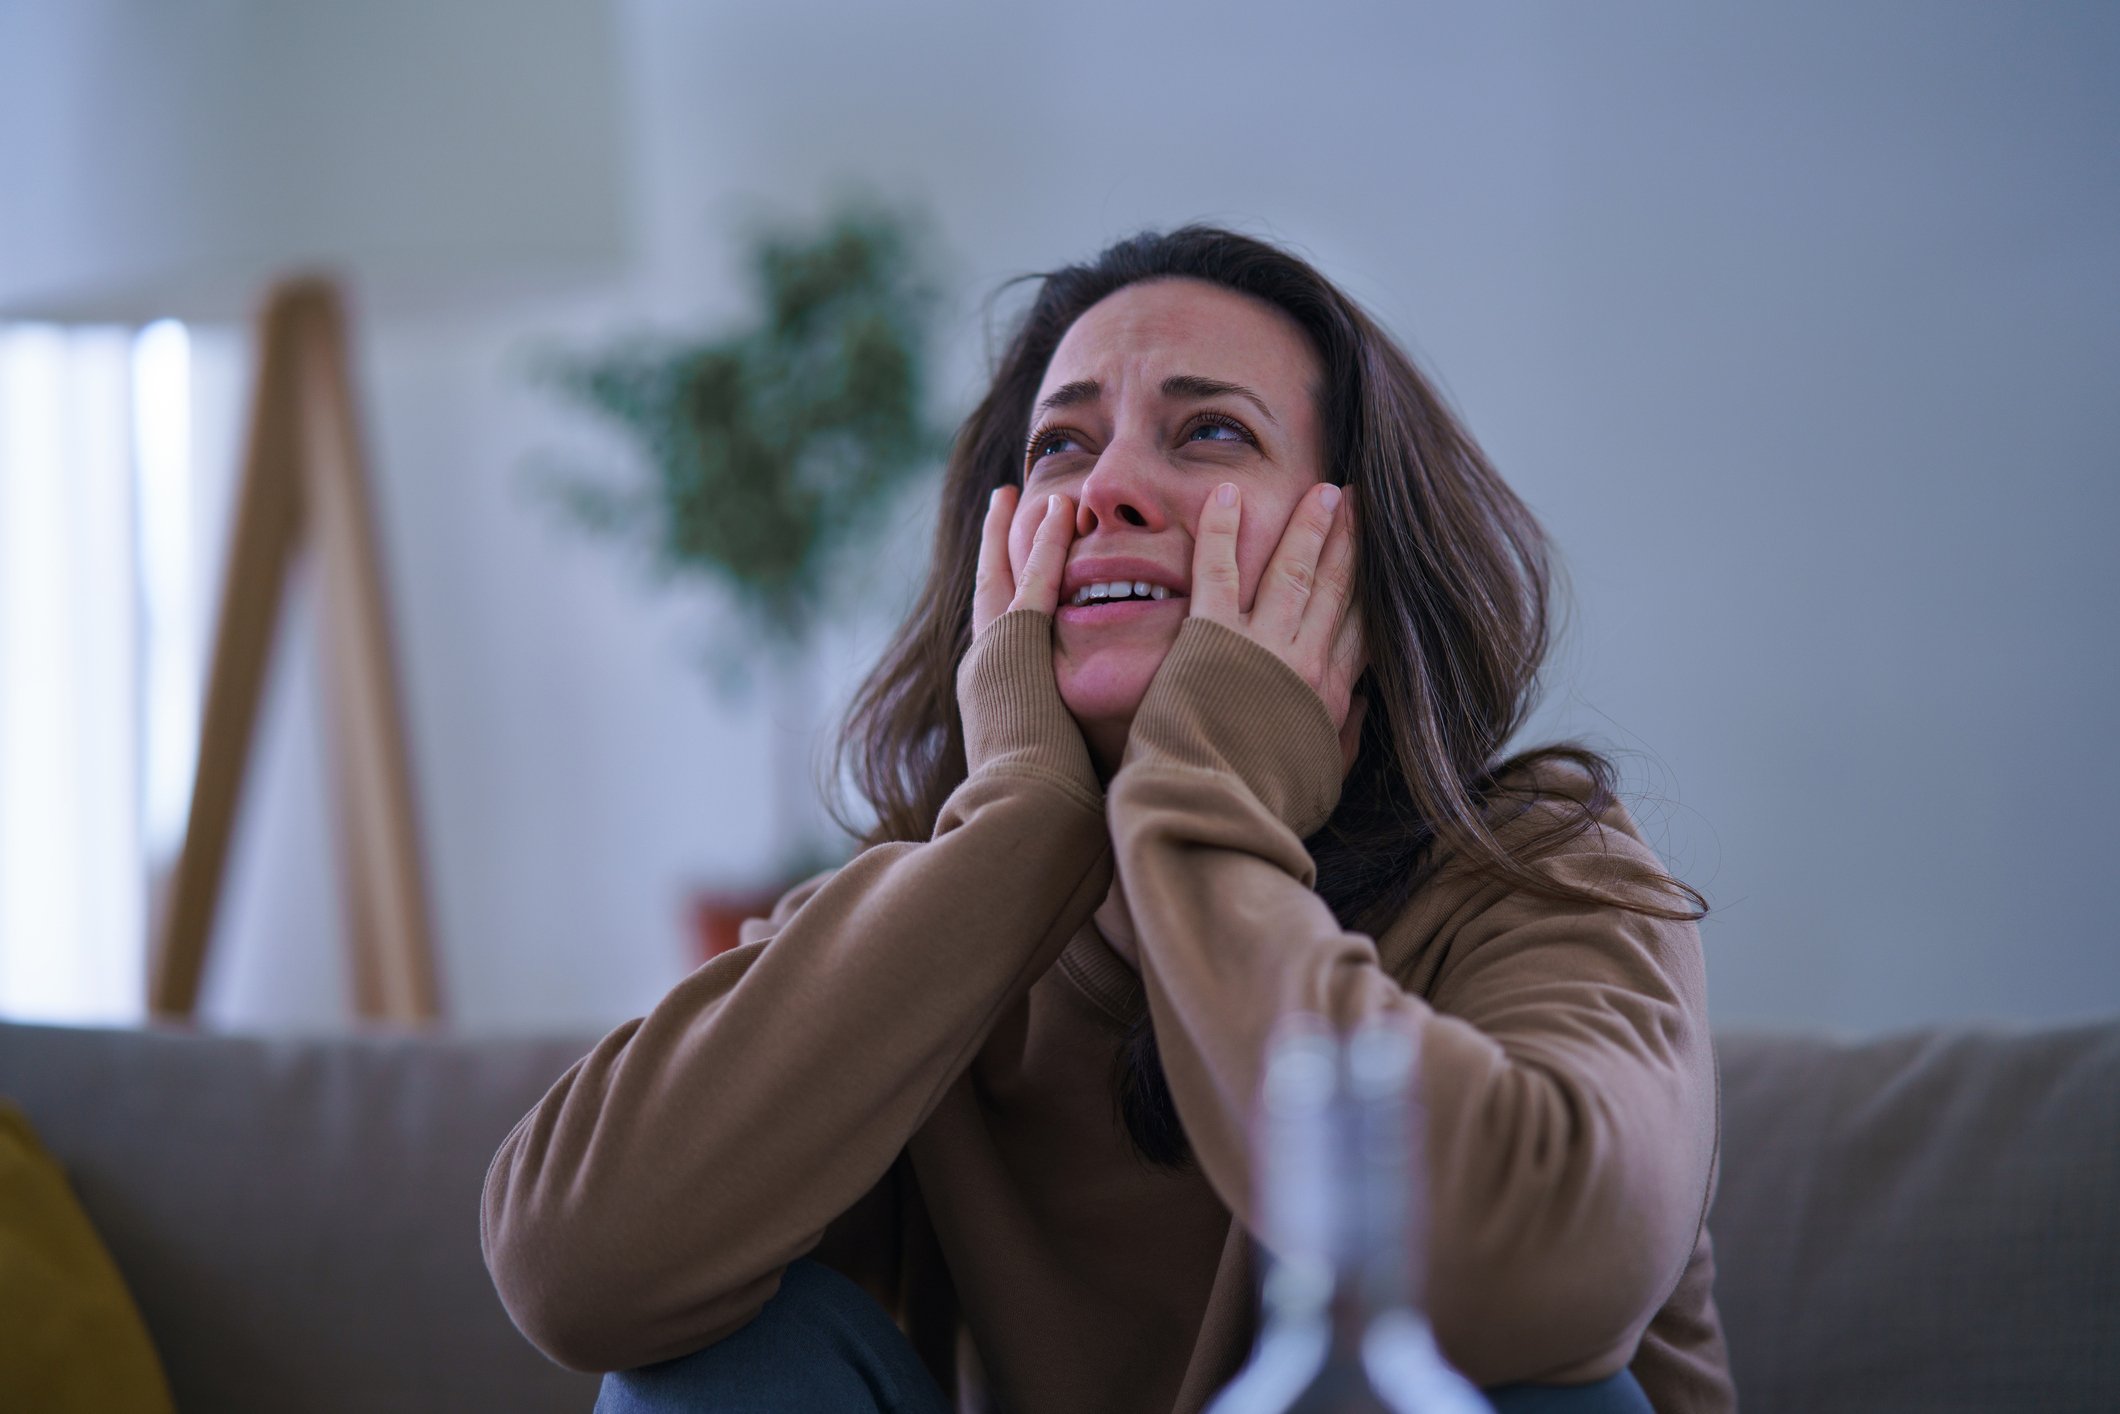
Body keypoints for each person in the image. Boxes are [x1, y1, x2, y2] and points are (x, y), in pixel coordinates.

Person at [481, 225, 1733, 1414]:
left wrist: (1202, 803)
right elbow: (575, 1267)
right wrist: (1023, 819)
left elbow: (1534, 1282)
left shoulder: (1540, 876)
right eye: (1060, 449)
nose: (1107, 489)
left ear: (1351, 547)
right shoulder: (936, 909)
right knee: (716, 1367)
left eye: (1207, 433)